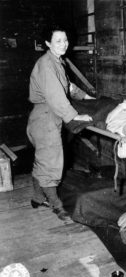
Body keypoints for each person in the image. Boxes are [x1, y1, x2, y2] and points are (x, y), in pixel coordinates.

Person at [27, 24, 95, 221]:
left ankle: (38, 197)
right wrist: (74, 116)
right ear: (48, 43)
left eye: (65, 40)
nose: (64, 44)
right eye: (58, 41)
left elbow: (68, 86)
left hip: (44, 117)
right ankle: (58, 208)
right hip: (46, 119)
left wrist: (87, 98)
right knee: (51, 164)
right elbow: (56, 95)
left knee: (43, 161)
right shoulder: (46, 64)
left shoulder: (57, 61)